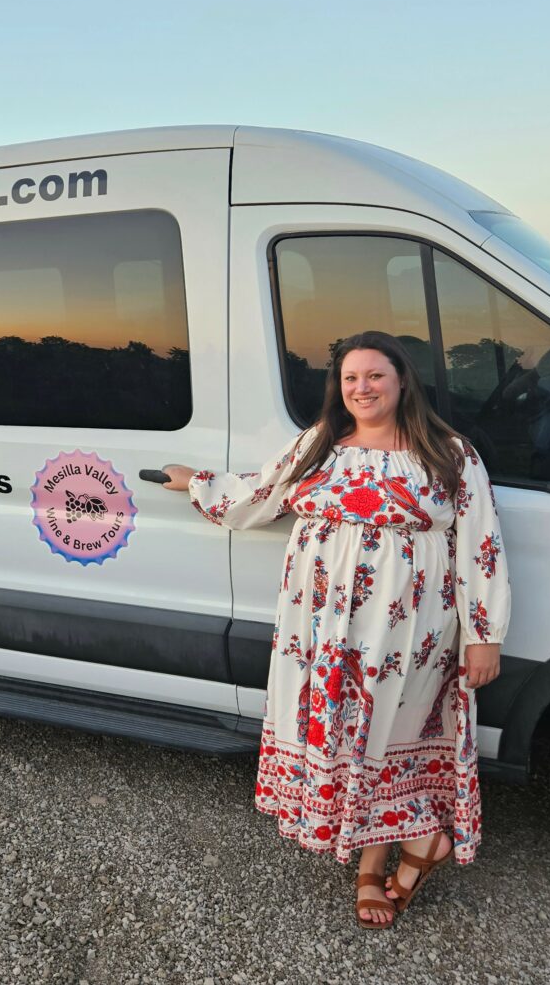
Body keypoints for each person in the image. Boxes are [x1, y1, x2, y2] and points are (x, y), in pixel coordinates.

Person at [162, 331, 509, 929]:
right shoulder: (320, 443)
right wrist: (197, 481)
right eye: (350, 378)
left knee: (389, 731)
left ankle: (409, 848)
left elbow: (482, 545)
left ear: (402, 381)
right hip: (321, 626)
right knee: (347, 735)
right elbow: (261, 494)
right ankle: (381, 859)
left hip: (410, 630)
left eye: (374, 376)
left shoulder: (450, 453)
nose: (361, 388)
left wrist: (485, 635)